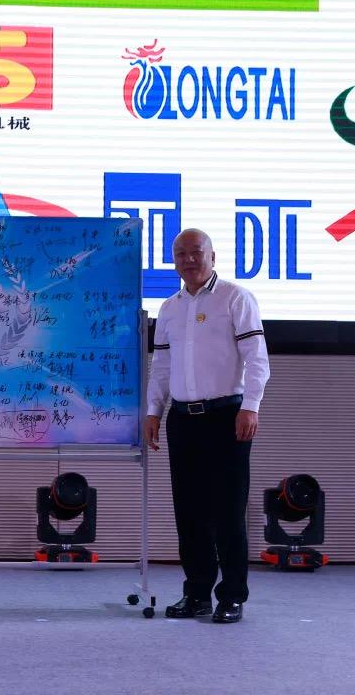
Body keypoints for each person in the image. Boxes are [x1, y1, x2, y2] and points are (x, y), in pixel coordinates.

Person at [143, 228, 269, 624]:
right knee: (190, 512)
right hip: (183, 419)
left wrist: (251, 406)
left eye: (196, 252)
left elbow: (257, 358)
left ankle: (231, 595)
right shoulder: (169, 308)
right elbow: (161, 366)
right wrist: (153, 411)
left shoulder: (235, 298)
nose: (189, 260)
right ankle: (197, 593)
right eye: (180, 254)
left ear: (213, 256)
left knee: (228, 511)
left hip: (226, 417)